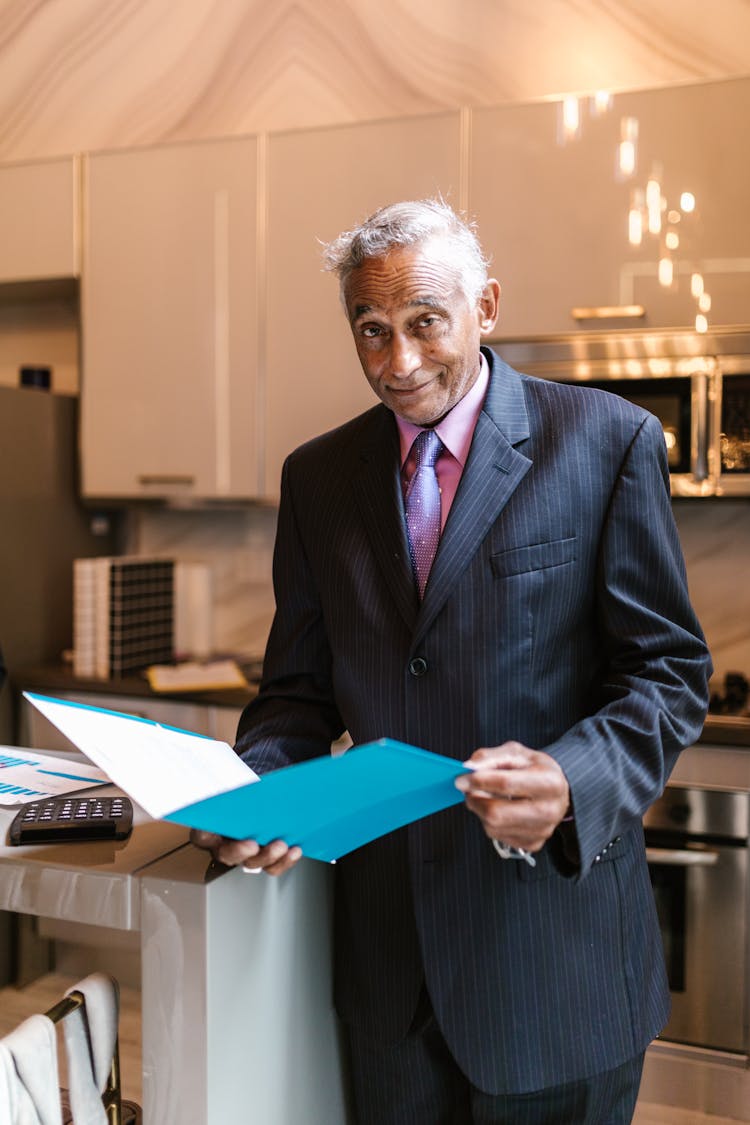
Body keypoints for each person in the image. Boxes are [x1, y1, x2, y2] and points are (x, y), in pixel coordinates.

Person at [192, 199, 711, 1124]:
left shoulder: (604, 440)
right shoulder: (318, 478)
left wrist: (572, 774)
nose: (399, 362)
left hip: (555, 964)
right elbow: (296, 694)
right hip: (388, 971)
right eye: (371, 330)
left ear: (488, 306)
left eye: (426, 322)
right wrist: (260, 788)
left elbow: (668, 673)